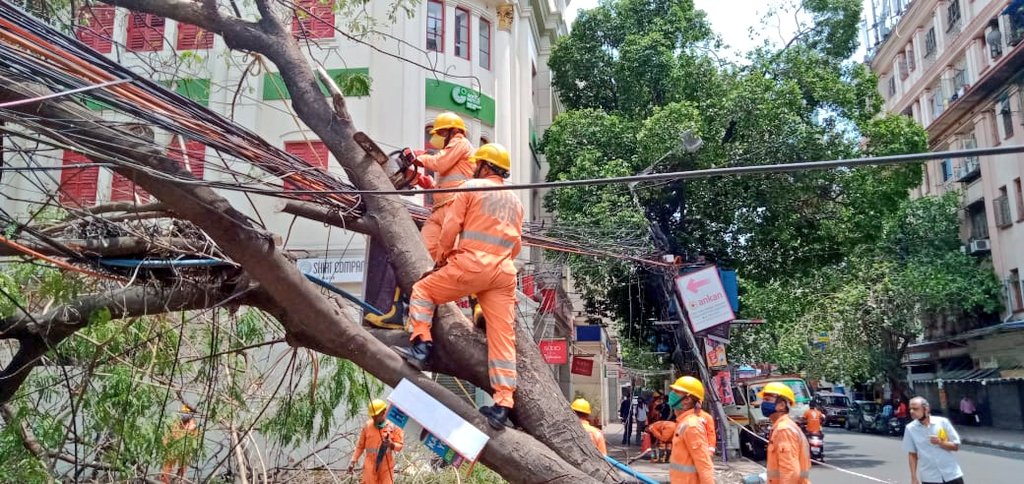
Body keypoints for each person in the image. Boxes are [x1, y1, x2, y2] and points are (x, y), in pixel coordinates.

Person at [393, 143, 523, 429]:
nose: (474, 165)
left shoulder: (470, 187)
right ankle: (503, 404)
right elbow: (516, 245)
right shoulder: (515, 201)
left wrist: (441, 260)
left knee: (423, 291)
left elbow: (450, 228)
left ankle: (421, 345)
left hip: (472, 265)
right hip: (503, 273)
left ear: (485, 166)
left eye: (478, 163)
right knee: (502, 339)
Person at [414, 112, 476, 261]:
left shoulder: (460, 142)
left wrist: (418, 158)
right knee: (424, 252)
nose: (439, 137)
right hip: (439, 210)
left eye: (442, 132)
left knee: (449, 256)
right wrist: (429, 185)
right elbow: (448, 181)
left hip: (454, 207)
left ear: (454, 131)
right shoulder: (450, 151)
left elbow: (438, 163)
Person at [759, 382, 811, 484]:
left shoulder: (784, 430)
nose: (763, 404)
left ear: (782, 405)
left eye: (767, 400)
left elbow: (789, 470)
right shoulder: (783, 426)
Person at [904, 396, 963, 484]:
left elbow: (956, 446)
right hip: (930, 478)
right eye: (910, 409)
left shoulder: (942, 422)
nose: (912, 411)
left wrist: (941, 442)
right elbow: (912, 454)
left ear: (926, 409)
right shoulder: (910, 428)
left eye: (915, 409)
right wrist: (913, 477)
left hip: (952, 474)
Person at [667, 376, 714, 484]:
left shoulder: (692, 426)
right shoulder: (683, 423)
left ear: (687, 399)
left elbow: (704, 466)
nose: (671, 394)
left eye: (676, 391)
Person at [348, 399, 405, 484]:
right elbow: (360, 446)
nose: (373, 418)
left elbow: (400, 446)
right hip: (370, 465)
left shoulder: (393, 426)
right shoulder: (367, 426)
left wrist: (391, 444)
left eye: (376, 415)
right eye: (372, 416)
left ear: (383, 412)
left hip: (386, 466)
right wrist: (353, 461)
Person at [161, 404, 199, 484]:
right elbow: (168, 435)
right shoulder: (176, 422)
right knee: (166, 469)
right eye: (182, 412)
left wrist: (189, 430)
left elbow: (194, 441)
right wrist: (165, 443)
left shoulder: (193, 425)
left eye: (186, 413)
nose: (184, 415)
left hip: (184, 451)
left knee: (182, 470)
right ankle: (165, 481)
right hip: (172, 449)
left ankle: (181, 480)